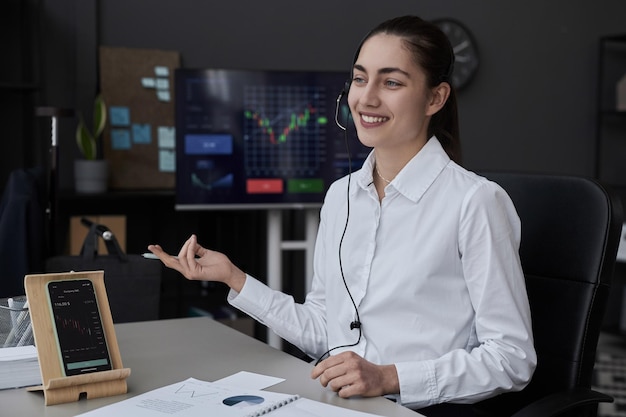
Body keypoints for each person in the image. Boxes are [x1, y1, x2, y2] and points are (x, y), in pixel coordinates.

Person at [148, 15, 536, 416]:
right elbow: (325, 331)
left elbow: (512, 359)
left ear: (435, 99)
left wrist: (388, 377)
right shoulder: (342, 196)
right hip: (343, 404)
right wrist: (233, 278)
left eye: (392, 82)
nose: (366, 98)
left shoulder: (475, 202)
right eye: (359, 78)